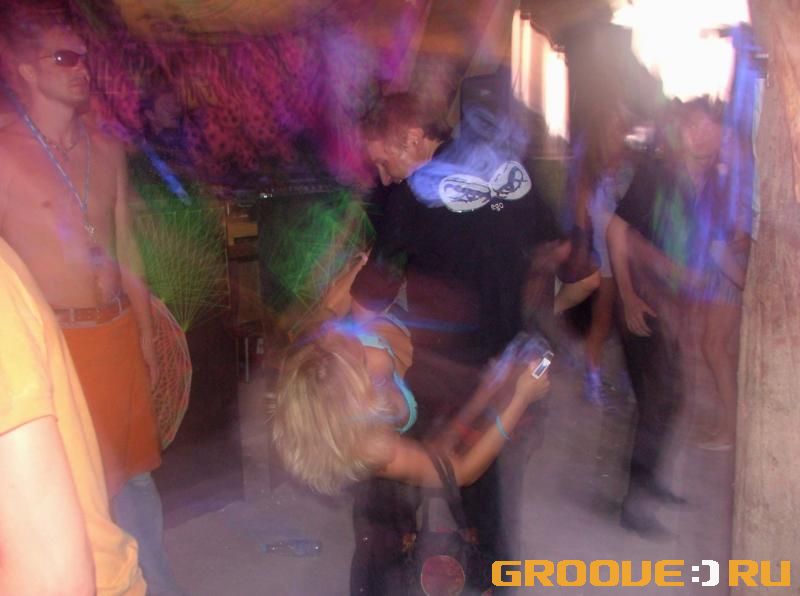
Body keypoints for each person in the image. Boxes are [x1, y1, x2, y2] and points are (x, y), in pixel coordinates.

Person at [349, 92, 571, 592]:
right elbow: (557, 250)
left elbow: (370, 297)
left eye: (383, 161)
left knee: (385, 493)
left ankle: (383, 580)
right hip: (507, 368)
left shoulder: (414, 194)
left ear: (412, 138)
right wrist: (513, 302)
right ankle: (493, 579)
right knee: (489, 502)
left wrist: (355, 334)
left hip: (439, 374)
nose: (384, 176)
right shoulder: (511, 169)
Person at [0, 7, 181, 593]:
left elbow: (127, 246)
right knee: (76, 495)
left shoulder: (106, 149)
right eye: (65, 57)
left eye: (84, 58)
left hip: (117, 334)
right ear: (26, 69)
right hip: (59, 348)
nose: (82, 68)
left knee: (137, 484)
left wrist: (147, 337)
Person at [270, 316, 551, 592]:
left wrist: (488, 390)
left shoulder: (334, 346)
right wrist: (519, 400)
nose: (374, 350)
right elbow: (461, 471)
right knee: (388, 563)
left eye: (355, 342)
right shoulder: (374, 448)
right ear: (361, 403)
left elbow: (439, 446)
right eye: (364, 362)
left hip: (406, 442)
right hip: (385, 505)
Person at [607, 97, 731, 536]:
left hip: (673, 307)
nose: (702, 136)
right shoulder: (657, 175)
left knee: (668, 399)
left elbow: (710, 248)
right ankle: (634, 504)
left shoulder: (714, 184)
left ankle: (649, 482)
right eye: (695, 126)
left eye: (711, 129)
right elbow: (617, 231)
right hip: (642, 301)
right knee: (658, 400)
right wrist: (627, 296)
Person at [0, 237, 146, 595]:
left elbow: (128, 250)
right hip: (67, 335)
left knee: (135, 473)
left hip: (114, 326)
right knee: (100, 474)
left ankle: (154, 576)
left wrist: (146, 336)